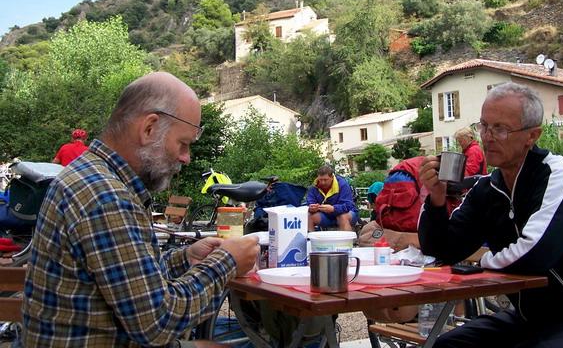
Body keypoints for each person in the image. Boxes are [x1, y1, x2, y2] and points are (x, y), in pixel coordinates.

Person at [24, 72, 259, 347]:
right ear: (149, 128)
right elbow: (158, 324)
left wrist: (187, 258)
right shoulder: (106, 196)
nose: (186, 157)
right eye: (183, 144)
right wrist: (227, 262)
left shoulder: (93, 176)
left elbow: (127, 278)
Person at [418, 82, 563, 347]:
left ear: (532, 136)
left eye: (500, 129)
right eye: (484, 126)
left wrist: (482, 263)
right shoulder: (488, 189)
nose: (488, 137)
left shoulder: (556, 174)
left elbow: (536, 253)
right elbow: (441, 249)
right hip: (532, 318)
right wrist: (436, 199)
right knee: (447, 345)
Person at [307, 165, 358, 231]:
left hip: (347, 213)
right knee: (309, 217)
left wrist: (333, 209)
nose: (322, 182)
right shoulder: (314, 186)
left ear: (332, 177)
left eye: (325, 180)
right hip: (326, 216)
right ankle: (311, 237)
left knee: (342, 217)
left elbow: (348, 206)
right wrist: (311, 208)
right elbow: (309, 203)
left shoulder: (343, 184)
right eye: (320, 180)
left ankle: (347, 238)